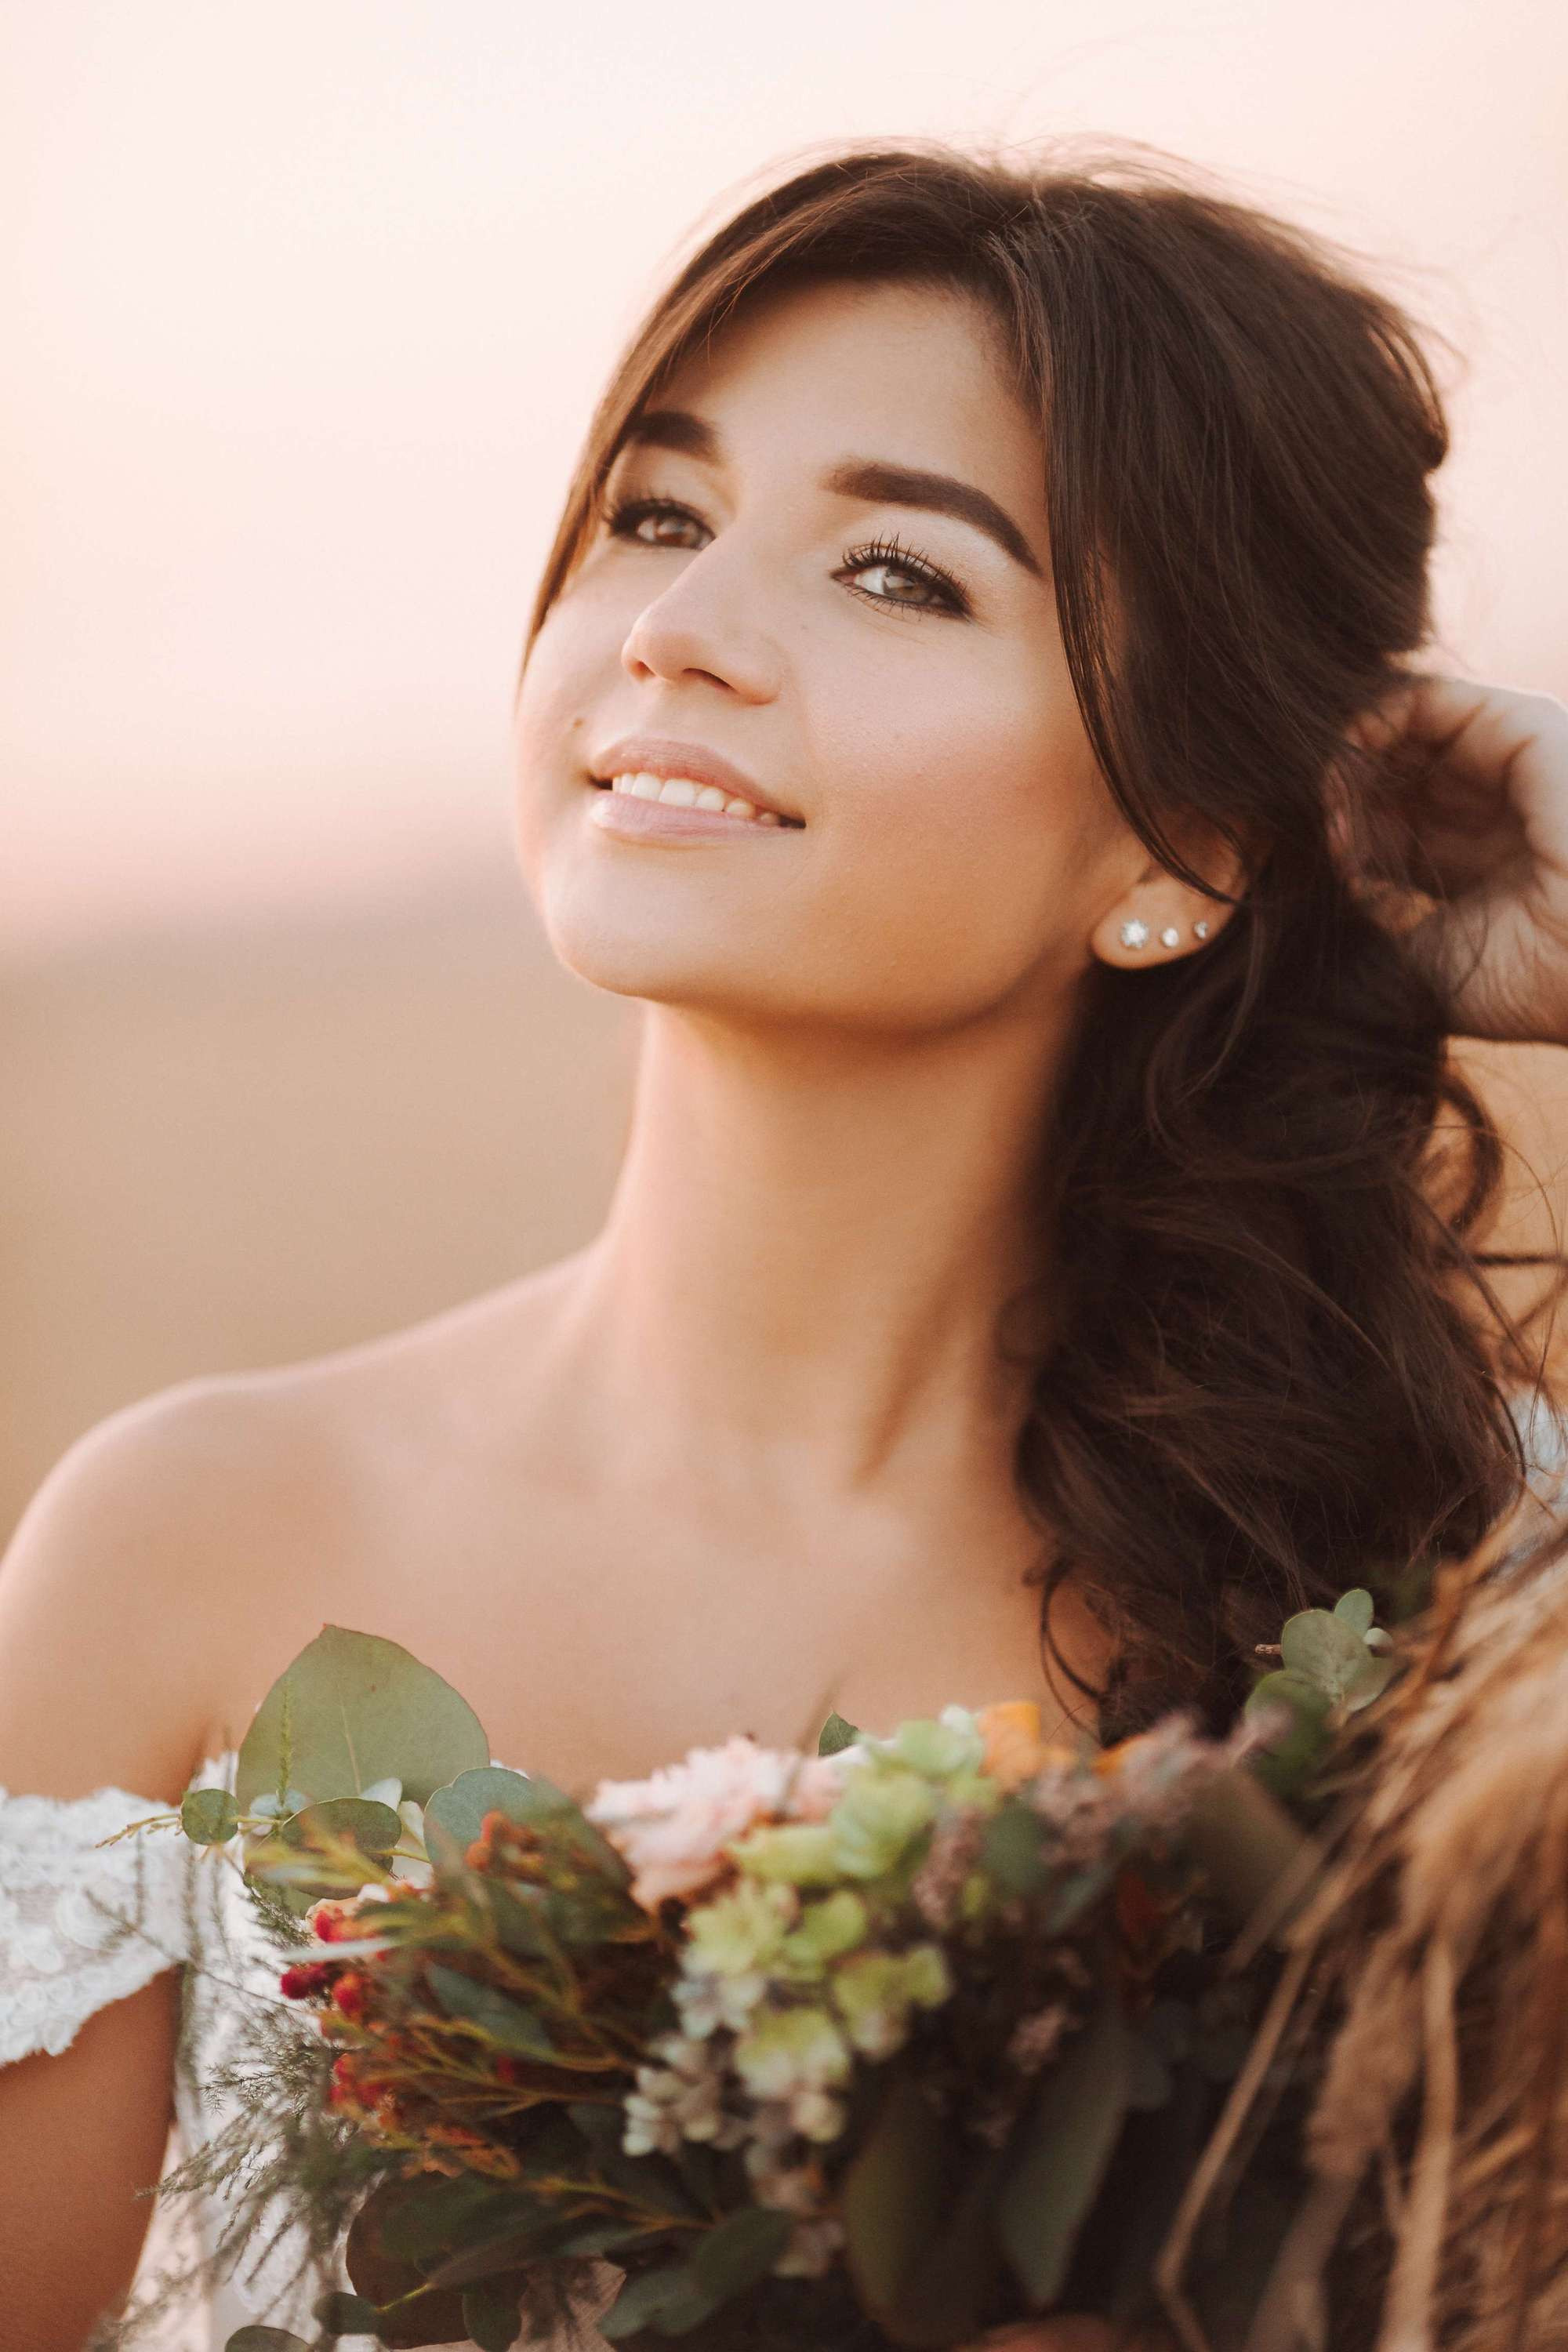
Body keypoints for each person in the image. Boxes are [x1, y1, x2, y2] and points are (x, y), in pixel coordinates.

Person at [2, 135, 1567, 2352]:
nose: (676, 633)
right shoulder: (190, 1542)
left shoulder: (1470, 1595)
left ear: (1186, 835)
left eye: (900, 577)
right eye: (658, 516)